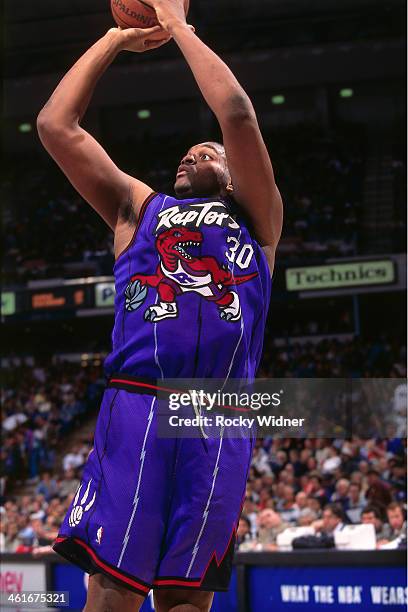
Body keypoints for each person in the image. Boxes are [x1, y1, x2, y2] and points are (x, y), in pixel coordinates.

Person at [37, 0, 283, 610]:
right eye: (187, 153)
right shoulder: (139, 209)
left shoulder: (258, 222)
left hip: (219, 421)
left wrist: (178, 27)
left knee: (187, 602)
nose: (191, 157)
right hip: (138, 406)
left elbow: (237, 114)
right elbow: (55, 127)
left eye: (207, 154)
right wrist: (115, 40)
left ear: (231, 178)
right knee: (113, 597)